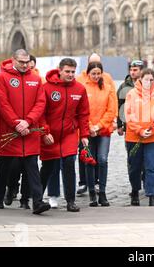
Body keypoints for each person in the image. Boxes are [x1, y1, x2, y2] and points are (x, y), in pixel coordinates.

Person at [0, 49, 51, 215]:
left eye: (27, 62)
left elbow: (41, 103)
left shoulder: (35, 79)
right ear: (13, 60)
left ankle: (37, 202)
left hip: (30, 130)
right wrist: (16, 123)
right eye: (21, 62)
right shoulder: (1, 78)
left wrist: (28, 121)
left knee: (32, 167)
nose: (25, 65)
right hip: (9, 131)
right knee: (4, 166)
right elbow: (3, 104)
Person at [39, 58, 90, 212]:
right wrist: (45, 131)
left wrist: (84, 135)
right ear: (59, 70)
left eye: (73, 72)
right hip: (51, 134)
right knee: (48, 166)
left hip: (69, 133)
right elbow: (41, 113)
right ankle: (37, 198)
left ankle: (70, 201)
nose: (70, 74)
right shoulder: (46, 88)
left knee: (69, 163)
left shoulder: (80, 89)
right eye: (67, 71)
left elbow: (83, 114)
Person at [76, 53, 118, 195]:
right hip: (86, 129)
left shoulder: (107, 82)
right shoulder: (81, 82)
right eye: (93, 73)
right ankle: (87, 184)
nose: (96, 76)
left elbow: (112, 107)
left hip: (103, 128)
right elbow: (79, 108)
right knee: (86, 157)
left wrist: (99, 125)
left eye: (98, 73)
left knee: (102, 158)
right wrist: (88, 126)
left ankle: (100, 185)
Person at [125, 68, 154, 206]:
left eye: (151, 80)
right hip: (134, 136)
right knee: (135, 166)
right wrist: (140, 130)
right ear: (140, 79)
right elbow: (129, 115)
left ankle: (152, 195)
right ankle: (135, 191)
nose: (149, 82)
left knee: (151, 166)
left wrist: (153, 129)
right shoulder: (131, 94)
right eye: (146, 79)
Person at [117, 60, 143, 137]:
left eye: (135, 70)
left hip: (145, 124)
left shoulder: (147, 83)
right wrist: (119, 125)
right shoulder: (124, 86)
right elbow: (119, 105)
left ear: (141, 71)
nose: (132, 72)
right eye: (131, 70)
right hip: (128, 125)